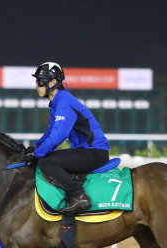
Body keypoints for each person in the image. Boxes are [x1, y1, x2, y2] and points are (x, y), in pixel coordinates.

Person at [24, 62, 110, 215]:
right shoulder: (57, 102)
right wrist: (36, 147)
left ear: (52, 82)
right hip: (85, 150)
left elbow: (58, 137)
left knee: (45, 161)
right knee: (44, 157)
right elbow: (50, 132)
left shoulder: (64, 101)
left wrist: (37, 154)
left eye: (39, 81)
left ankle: (79, 195)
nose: (36, 86)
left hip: (94, 152)